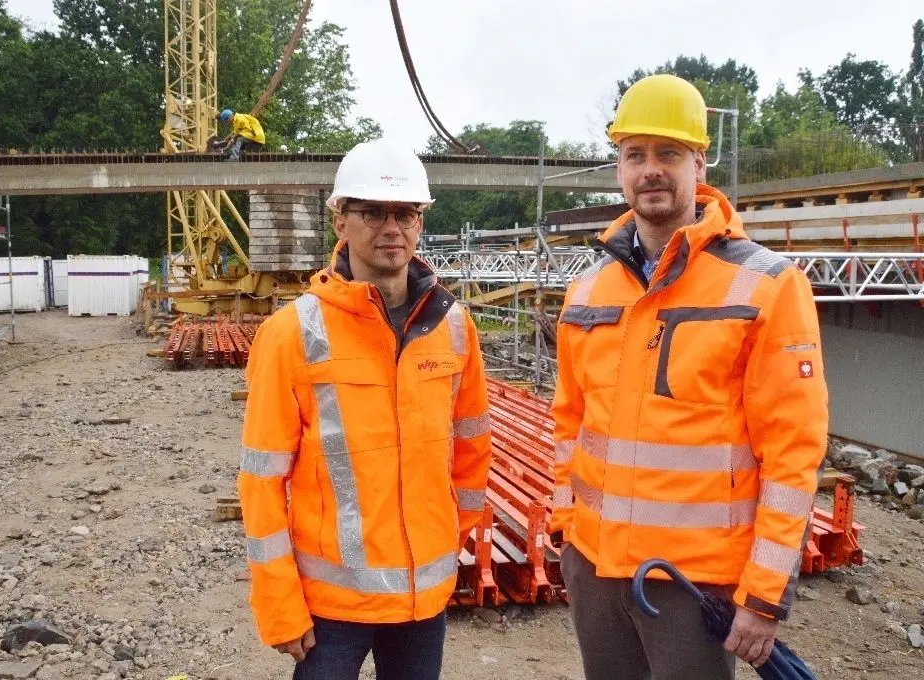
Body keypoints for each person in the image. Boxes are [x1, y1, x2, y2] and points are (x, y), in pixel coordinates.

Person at [550, 73, 829, 679]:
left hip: (691, 581)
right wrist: (566, 527)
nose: (650, 170)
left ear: (699, 164)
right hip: (594, 568)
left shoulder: (766, 286)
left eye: (668, 153)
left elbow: (792, 453)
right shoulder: (589, 289)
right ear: (619, 168)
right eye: (635, 154)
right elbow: (569, 420)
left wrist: (763, 595)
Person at [237, 138, 493, 680]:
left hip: (422, 599)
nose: (391, 228)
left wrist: (444, 545)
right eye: (373, 212)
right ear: (341, 221)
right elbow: (262, 482)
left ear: (420, 221)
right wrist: (280, 602)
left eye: (405, 213)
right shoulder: (291, 335)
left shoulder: (453, 327)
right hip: (332, 606)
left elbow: (471, 452)